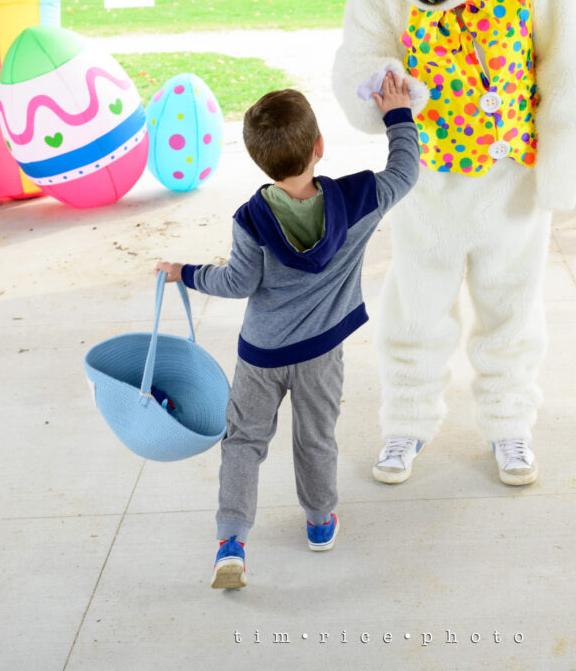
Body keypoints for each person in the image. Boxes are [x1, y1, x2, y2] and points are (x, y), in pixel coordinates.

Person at [155, 73, 418, 589]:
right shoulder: (360, 199)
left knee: (243, 441)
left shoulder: (251, 220)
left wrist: (185, 272)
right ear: (319, 146)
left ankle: (231, 541)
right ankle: (319, 522)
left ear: (260, 161)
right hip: (321, 355)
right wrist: (397, 115)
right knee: (316, 438)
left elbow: (237, 282)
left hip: (261, 356)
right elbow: (406, 171)